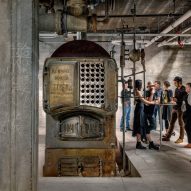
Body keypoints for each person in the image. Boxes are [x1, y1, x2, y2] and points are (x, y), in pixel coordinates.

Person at [133, 79, 159, 150]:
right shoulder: (137, 91)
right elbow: (144, 101)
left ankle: (149, 143)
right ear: (139, 85)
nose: (141, 85)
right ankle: (139, 143)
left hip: (141, 109)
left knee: (143, 126)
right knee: (139, 126)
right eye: (140, 84)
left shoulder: (138, 91)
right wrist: (153, 102)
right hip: (139, 109)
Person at [162, 76, 187, 143]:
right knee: (172, 123)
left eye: (175, 82)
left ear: (179, 82)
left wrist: (177, 100)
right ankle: (168, 137)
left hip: (180, 109)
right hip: (175, 108)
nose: (174, 84)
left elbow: (184, 100)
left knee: (180, 123)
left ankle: (181, 138)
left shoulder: (184, 89)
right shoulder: (176, 89)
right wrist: (173, 99)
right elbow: (175, 97)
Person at [182, 83, 191, 148]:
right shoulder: (187, 94)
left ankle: (190, 143)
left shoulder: (190, 95)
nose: (186, 88)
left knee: (188, 128)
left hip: (189, 114)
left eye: (187, 87)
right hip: (186, 113)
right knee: (187, 128)